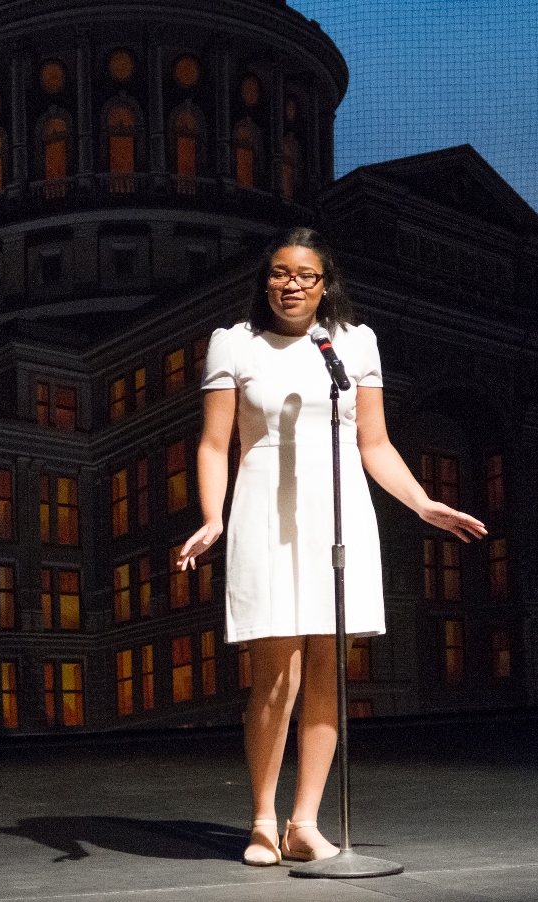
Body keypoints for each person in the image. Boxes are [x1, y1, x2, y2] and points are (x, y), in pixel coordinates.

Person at [178, 227, 486, 866]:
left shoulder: (351, 344)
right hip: (264, 502)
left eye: (306, 275)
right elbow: (216, 444)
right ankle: (263, 820)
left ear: (325, 284)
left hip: (338, 508)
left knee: (327, 666)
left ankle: (304, 821)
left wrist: (424, 502)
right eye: (281, 273)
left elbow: (373, 443)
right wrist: (213, 518)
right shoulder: (235, 345)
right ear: (265, 281)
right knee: (276, 669)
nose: (292, 284)